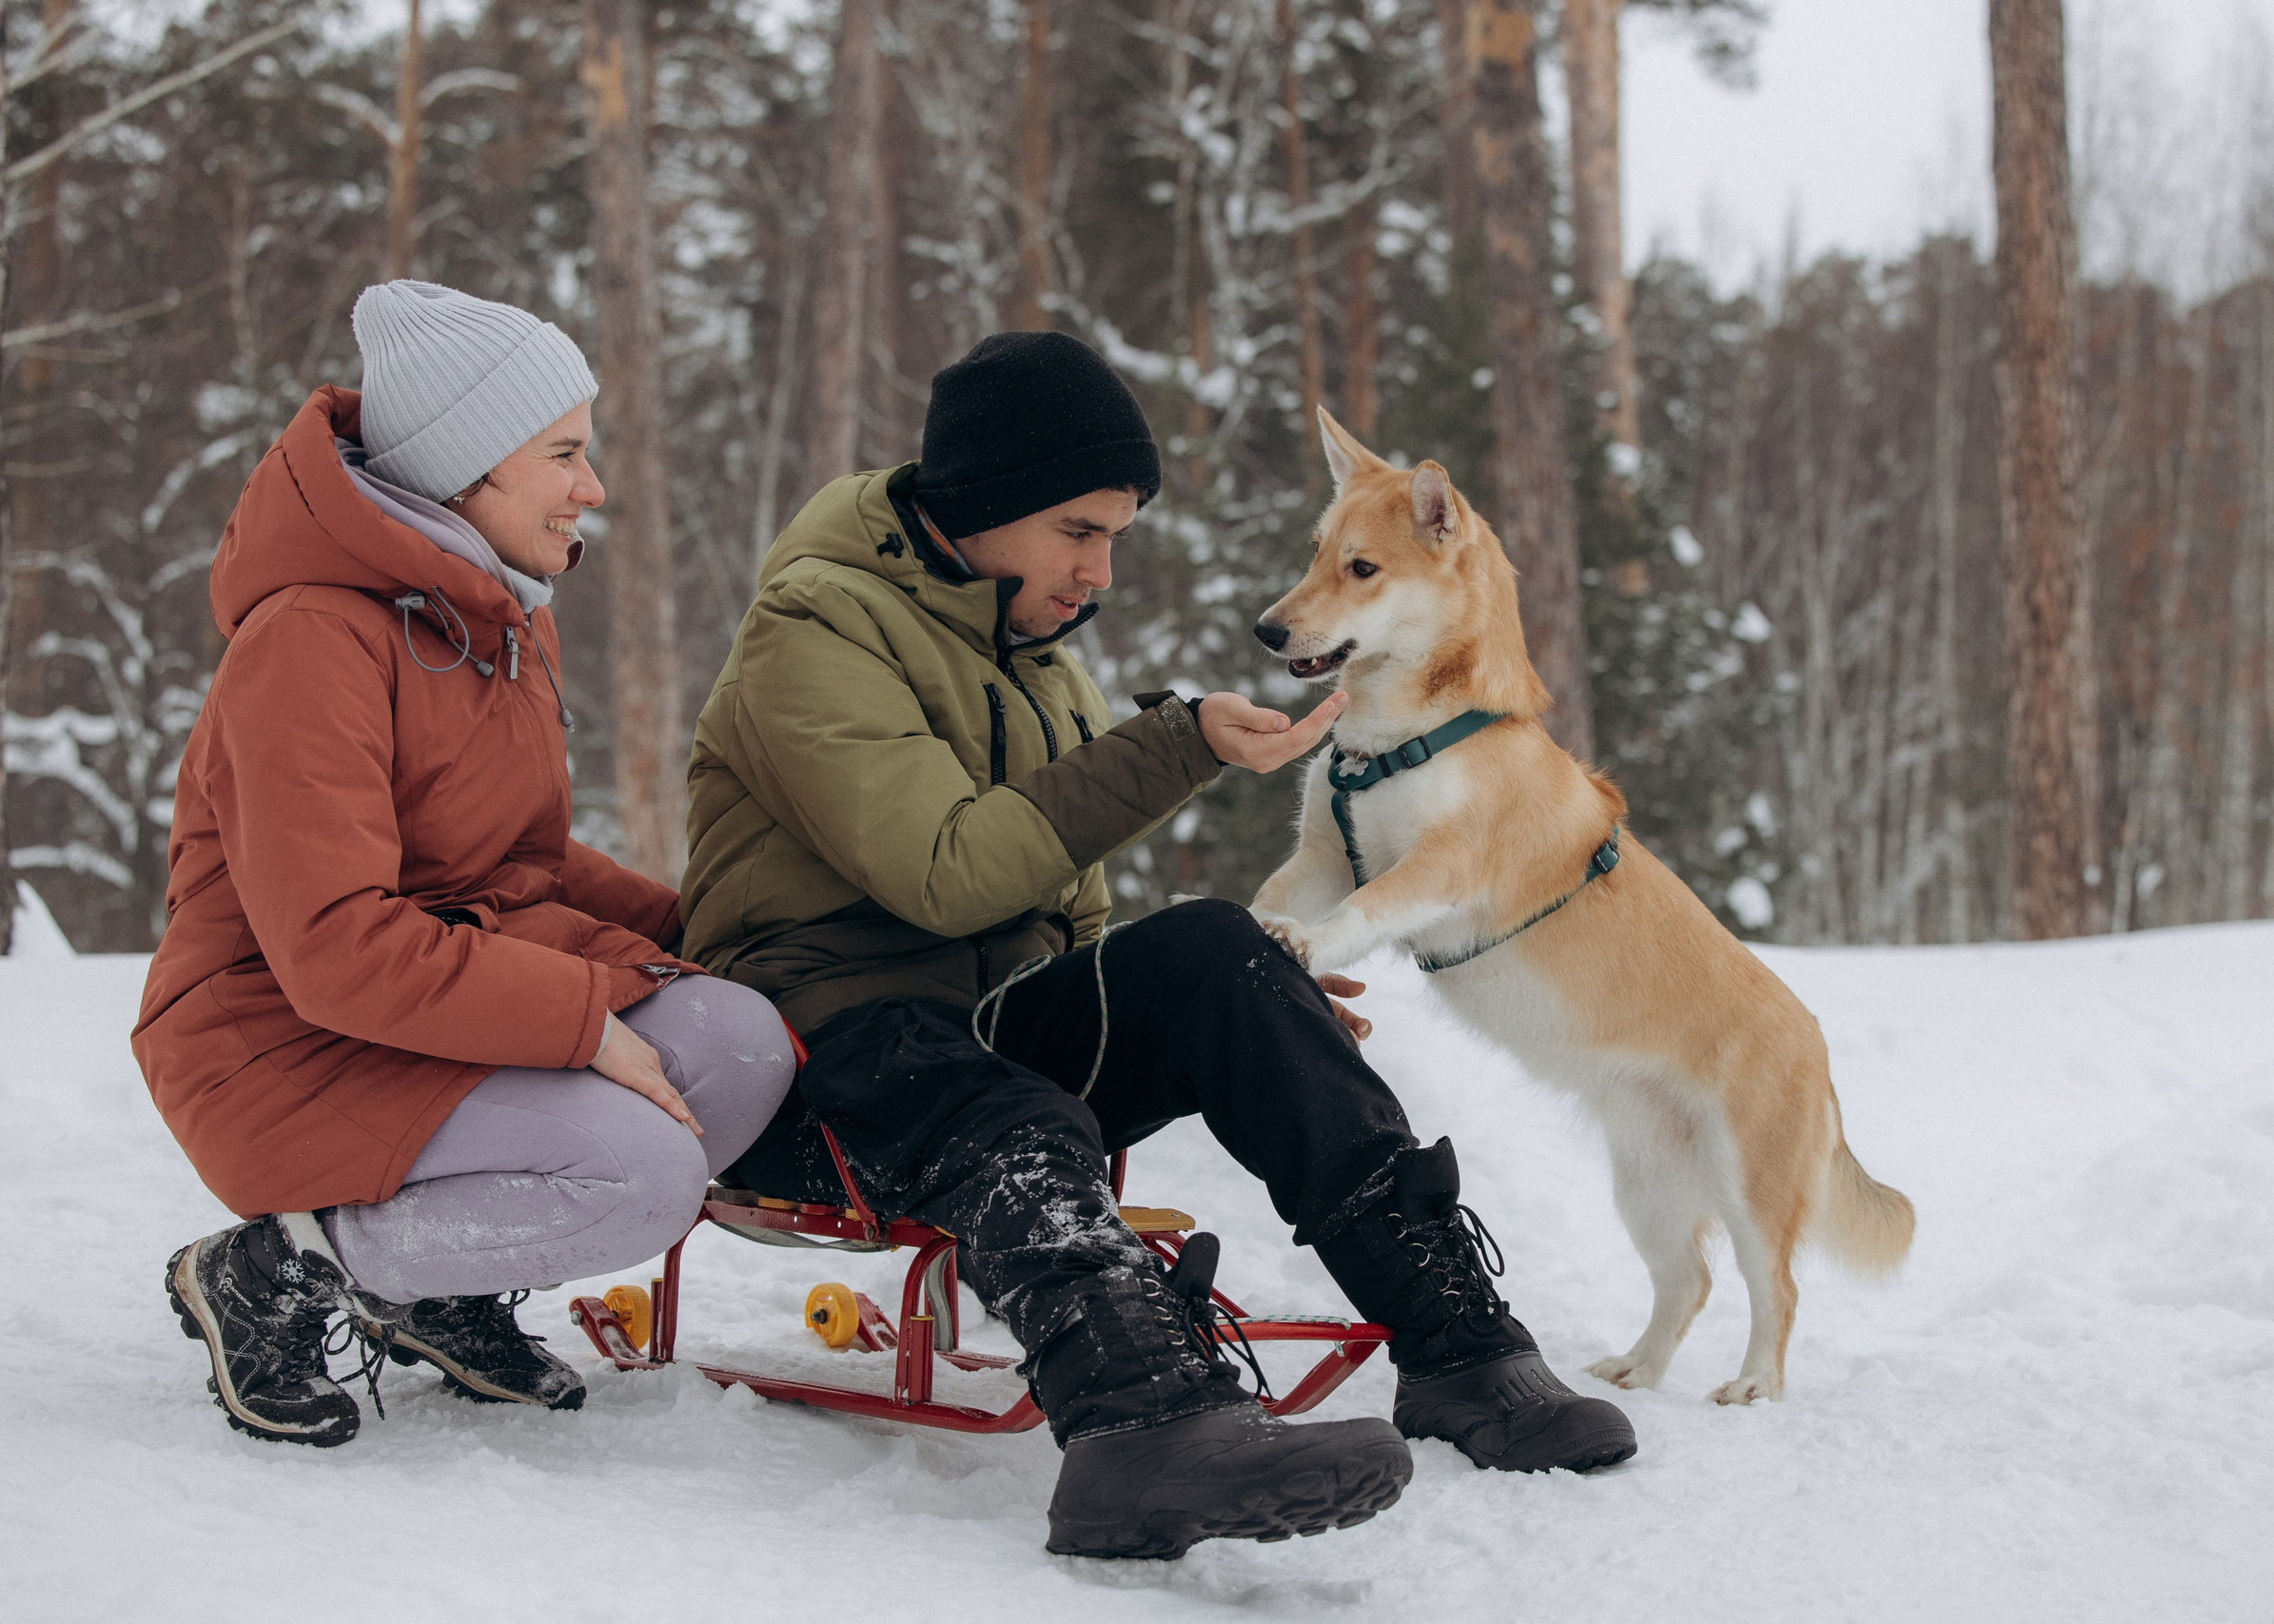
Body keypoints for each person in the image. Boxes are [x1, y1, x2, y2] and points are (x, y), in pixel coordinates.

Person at [683, 331, 1636, 1560]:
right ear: (982, 504)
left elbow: (1065, 911)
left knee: (1226, 953)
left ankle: (1460, 1347)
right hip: (814, 1064)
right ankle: (1139, 1428)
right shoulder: (809, 631)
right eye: (1078, 530)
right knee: (995, 1101)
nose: (1100, 568)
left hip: (974, 1041)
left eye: (1116, 534)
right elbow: (944, 871)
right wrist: (1176, 740)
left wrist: (1246, 1006)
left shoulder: (1035, 660)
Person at [137, 282, 795, 1449]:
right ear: (462, 467)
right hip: (275, 1035)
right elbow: (337, 947)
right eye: (563, 454)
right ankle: (275, 1268)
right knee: (638, 1175)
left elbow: (522, 865)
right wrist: (585, 1022)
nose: (591, 487)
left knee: (742, 1041)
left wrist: (720, 931)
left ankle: (432, 1284)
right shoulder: (309, 641)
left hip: (424, 995)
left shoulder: (496, 614)